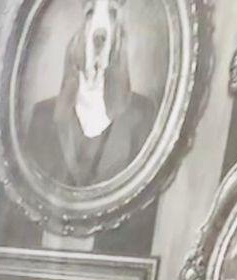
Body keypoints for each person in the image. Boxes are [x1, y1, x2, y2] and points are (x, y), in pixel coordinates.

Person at [26, 0, 156, 188]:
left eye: (112, 14)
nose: (99, 30)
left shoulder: (143, 115)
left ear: (119, 35)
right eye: (90, 13)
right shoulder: (42, 116)